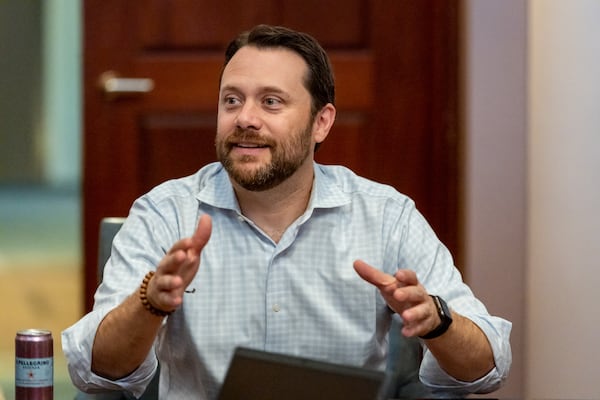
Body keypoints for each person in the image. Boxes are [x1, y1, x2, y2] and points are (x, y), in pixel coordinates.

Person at [63, 24, 511, 399]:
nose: (244, 118)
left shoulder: (385, 216)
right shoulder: (166, 214)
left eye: (271, 102)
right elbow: (93, 369)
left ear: (322, 122)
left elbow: (489, 366)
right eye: (232, 100)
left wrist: (438, 320)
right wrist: (149, 303)